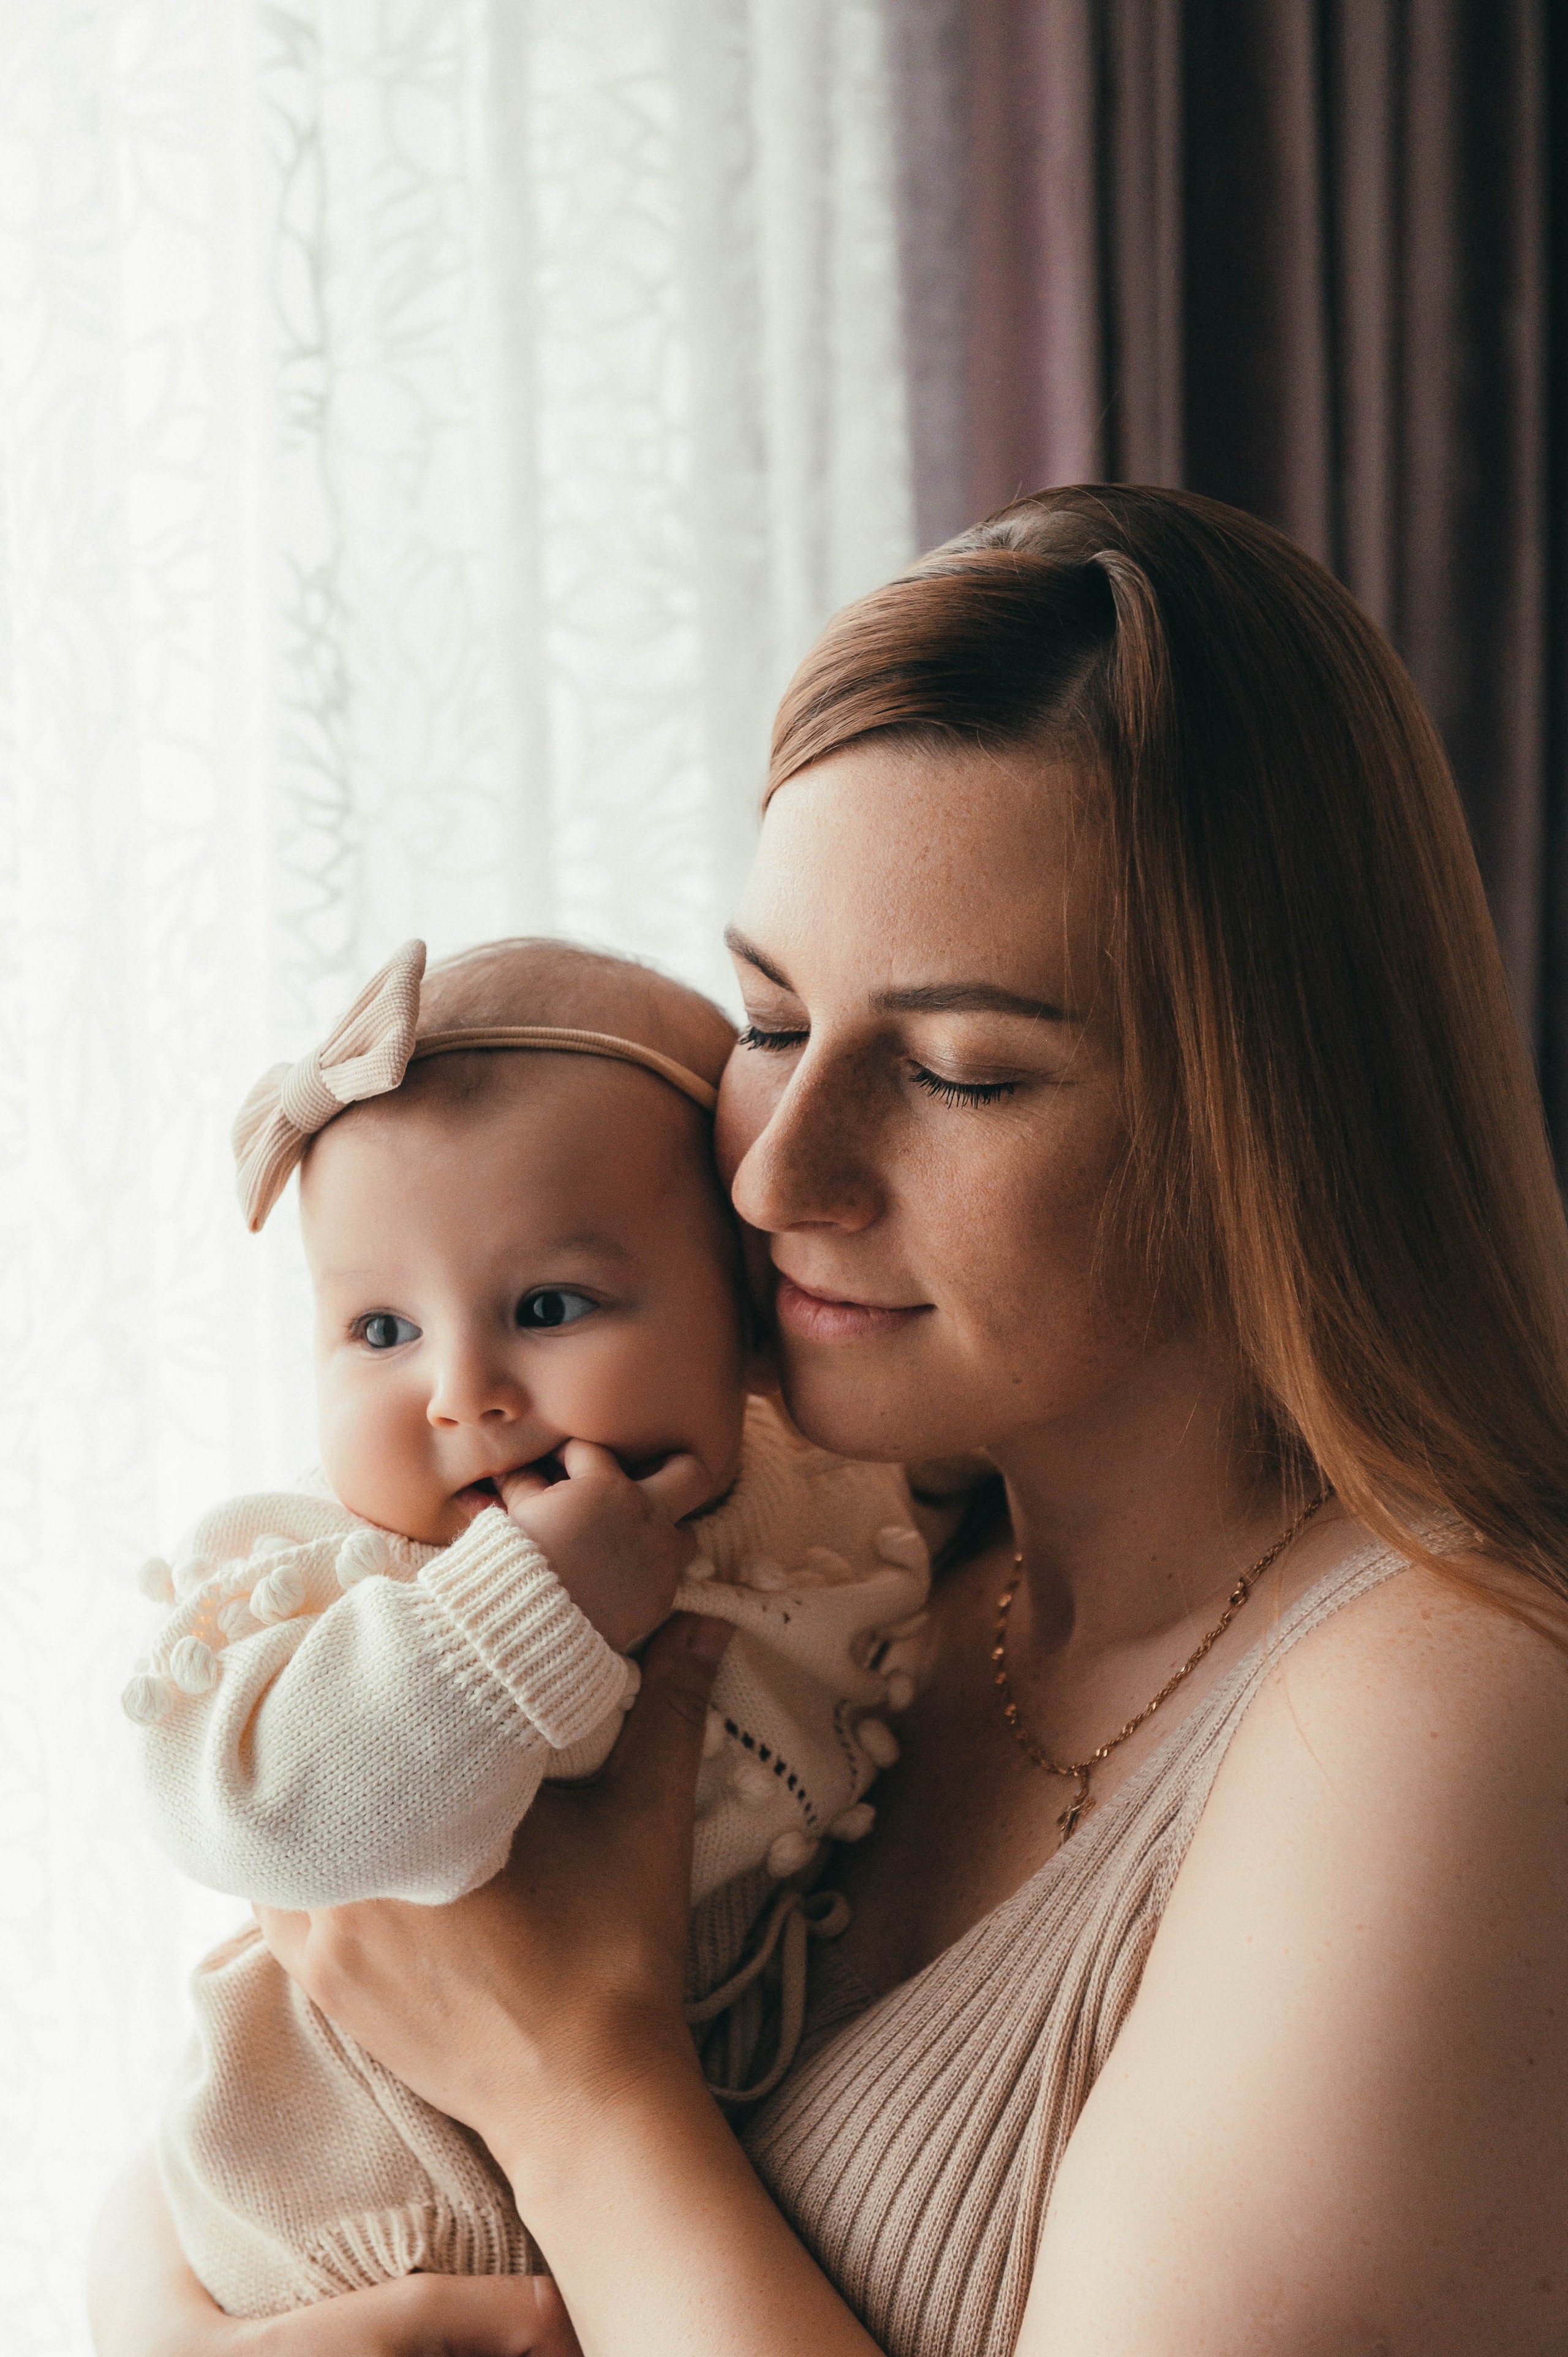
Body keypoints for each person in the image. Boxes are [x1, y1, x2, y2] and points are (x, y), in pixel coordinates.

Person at [92, 485, 1568, 2357]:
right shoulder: (818, 1531)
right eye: (771, 1020)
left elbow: (480, 2037)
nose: (783, 1169)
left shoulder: (1448, 1715)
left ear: (1264, 1122)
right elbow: (229, 2124)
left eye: (960, 1073)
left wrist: (573, 2082)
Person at [116, 934, 924, 2319]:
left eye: (546, 1308)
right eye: (379, 1330)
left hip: (646, 2252)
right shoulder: (319, 1571)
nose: (460, 1392)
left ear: (746, 1319)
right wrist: (519, 1617)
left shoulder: (830, 1497)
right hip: (341, 2234)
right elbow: (253, 1814)